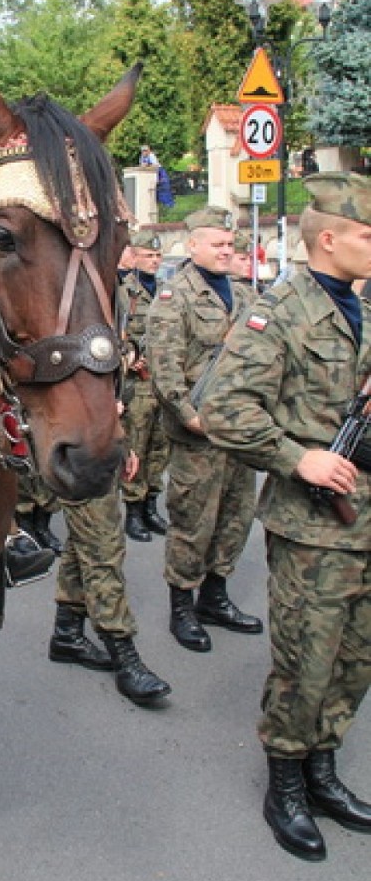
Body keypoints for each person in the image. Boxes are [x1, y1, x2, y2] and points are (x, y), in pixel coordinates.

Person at [199, 172, 371, 862]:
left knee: (356, 660)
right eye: (366, 233)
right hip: (311, 526)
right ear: (328, 239)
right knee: (306, 660)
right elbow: (226, 410)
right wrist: (297, 457)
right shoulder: (281, 311)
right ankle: (287, 784)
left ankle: (322, 766)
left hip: (364, 518)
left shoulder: (363, 309)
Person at [147, 206, 263, 652]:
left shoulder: (245, 295)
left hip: (239, 430)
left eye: (229, 245)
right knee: (193, 521)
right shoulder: (174, 298)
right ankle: (182, 605)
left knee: (235, 517)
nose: (225, 251)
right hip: (198, 431)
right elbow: (164, 366)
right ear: (192, 245)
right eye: (217, 244)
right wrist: (187, 414)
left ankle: (215, 597)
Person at [49, 450, 171, 707]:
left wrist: (120, 447)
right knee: (101, 548)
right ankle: (124, 655)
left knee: (84, 540)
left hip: (95, 450)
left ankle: (67, 633)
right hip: (74, 453)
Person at [119, 228, 170, 541]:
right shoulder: (124, 289)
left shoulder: (166, 290)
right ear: (133, 255)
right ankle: (134, 511)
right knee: (136, 444)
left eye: (157, 255)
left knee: (159, 447)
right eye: (148, 255)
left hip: (162, 383)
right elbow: (116, 331)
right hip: (136, 383)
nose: (154, 261)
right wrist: (129, 356)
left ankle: (152, 505)